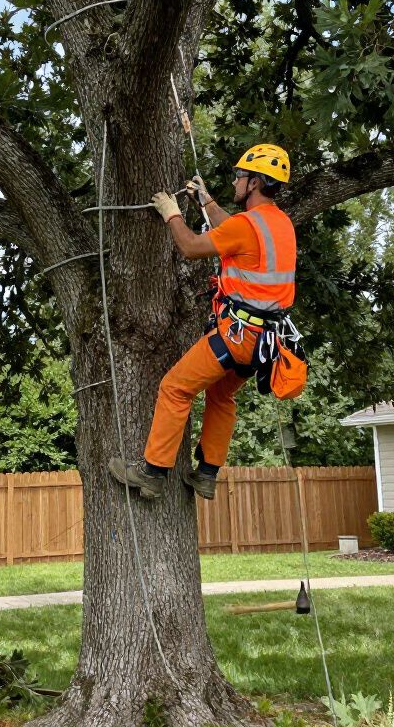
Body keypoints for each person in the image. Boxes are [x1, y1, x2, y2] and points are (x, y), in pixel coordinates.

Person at [109, 143, 296, 501]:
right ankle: (207, 474)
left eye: (240, 176)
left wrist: (171, 213)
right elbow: (234, 231)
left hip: (238, 335)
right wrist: (205, 201)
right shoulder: (279, 223)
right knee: (222, 396)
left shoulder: (247, 225)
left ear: (254, 182)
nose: (236, 181)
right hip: (265, 342)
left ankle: (152, 473)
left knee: (175, 388)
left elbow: (192, 247)